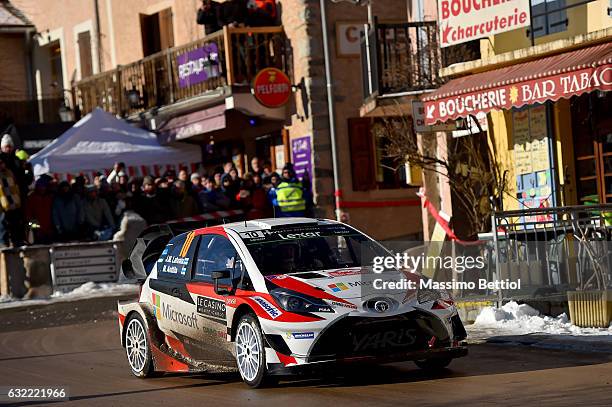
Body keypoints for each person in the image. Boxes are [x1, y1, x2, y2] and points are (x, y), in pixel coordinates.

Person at [0, 155, 24, 246]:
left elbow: (15, 186)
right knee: (3, 223)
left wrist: (17, 200)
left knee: (14, 223)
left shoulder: (9, 172)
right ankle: (3, 242)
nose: (2, 165)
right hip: (2, 203)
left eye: (2, 163)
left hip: (12, 200)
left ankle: (15, 241)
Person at [25, 177, 54, 244]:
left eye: (44, 186)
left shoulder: (50, 198)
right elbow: (28, 215)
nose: (42, 188)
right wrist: (35, 229)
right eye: (40, 186)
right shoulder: (31, 198)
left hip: (49, 230)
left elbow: (53, 213)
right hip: (37, 232)